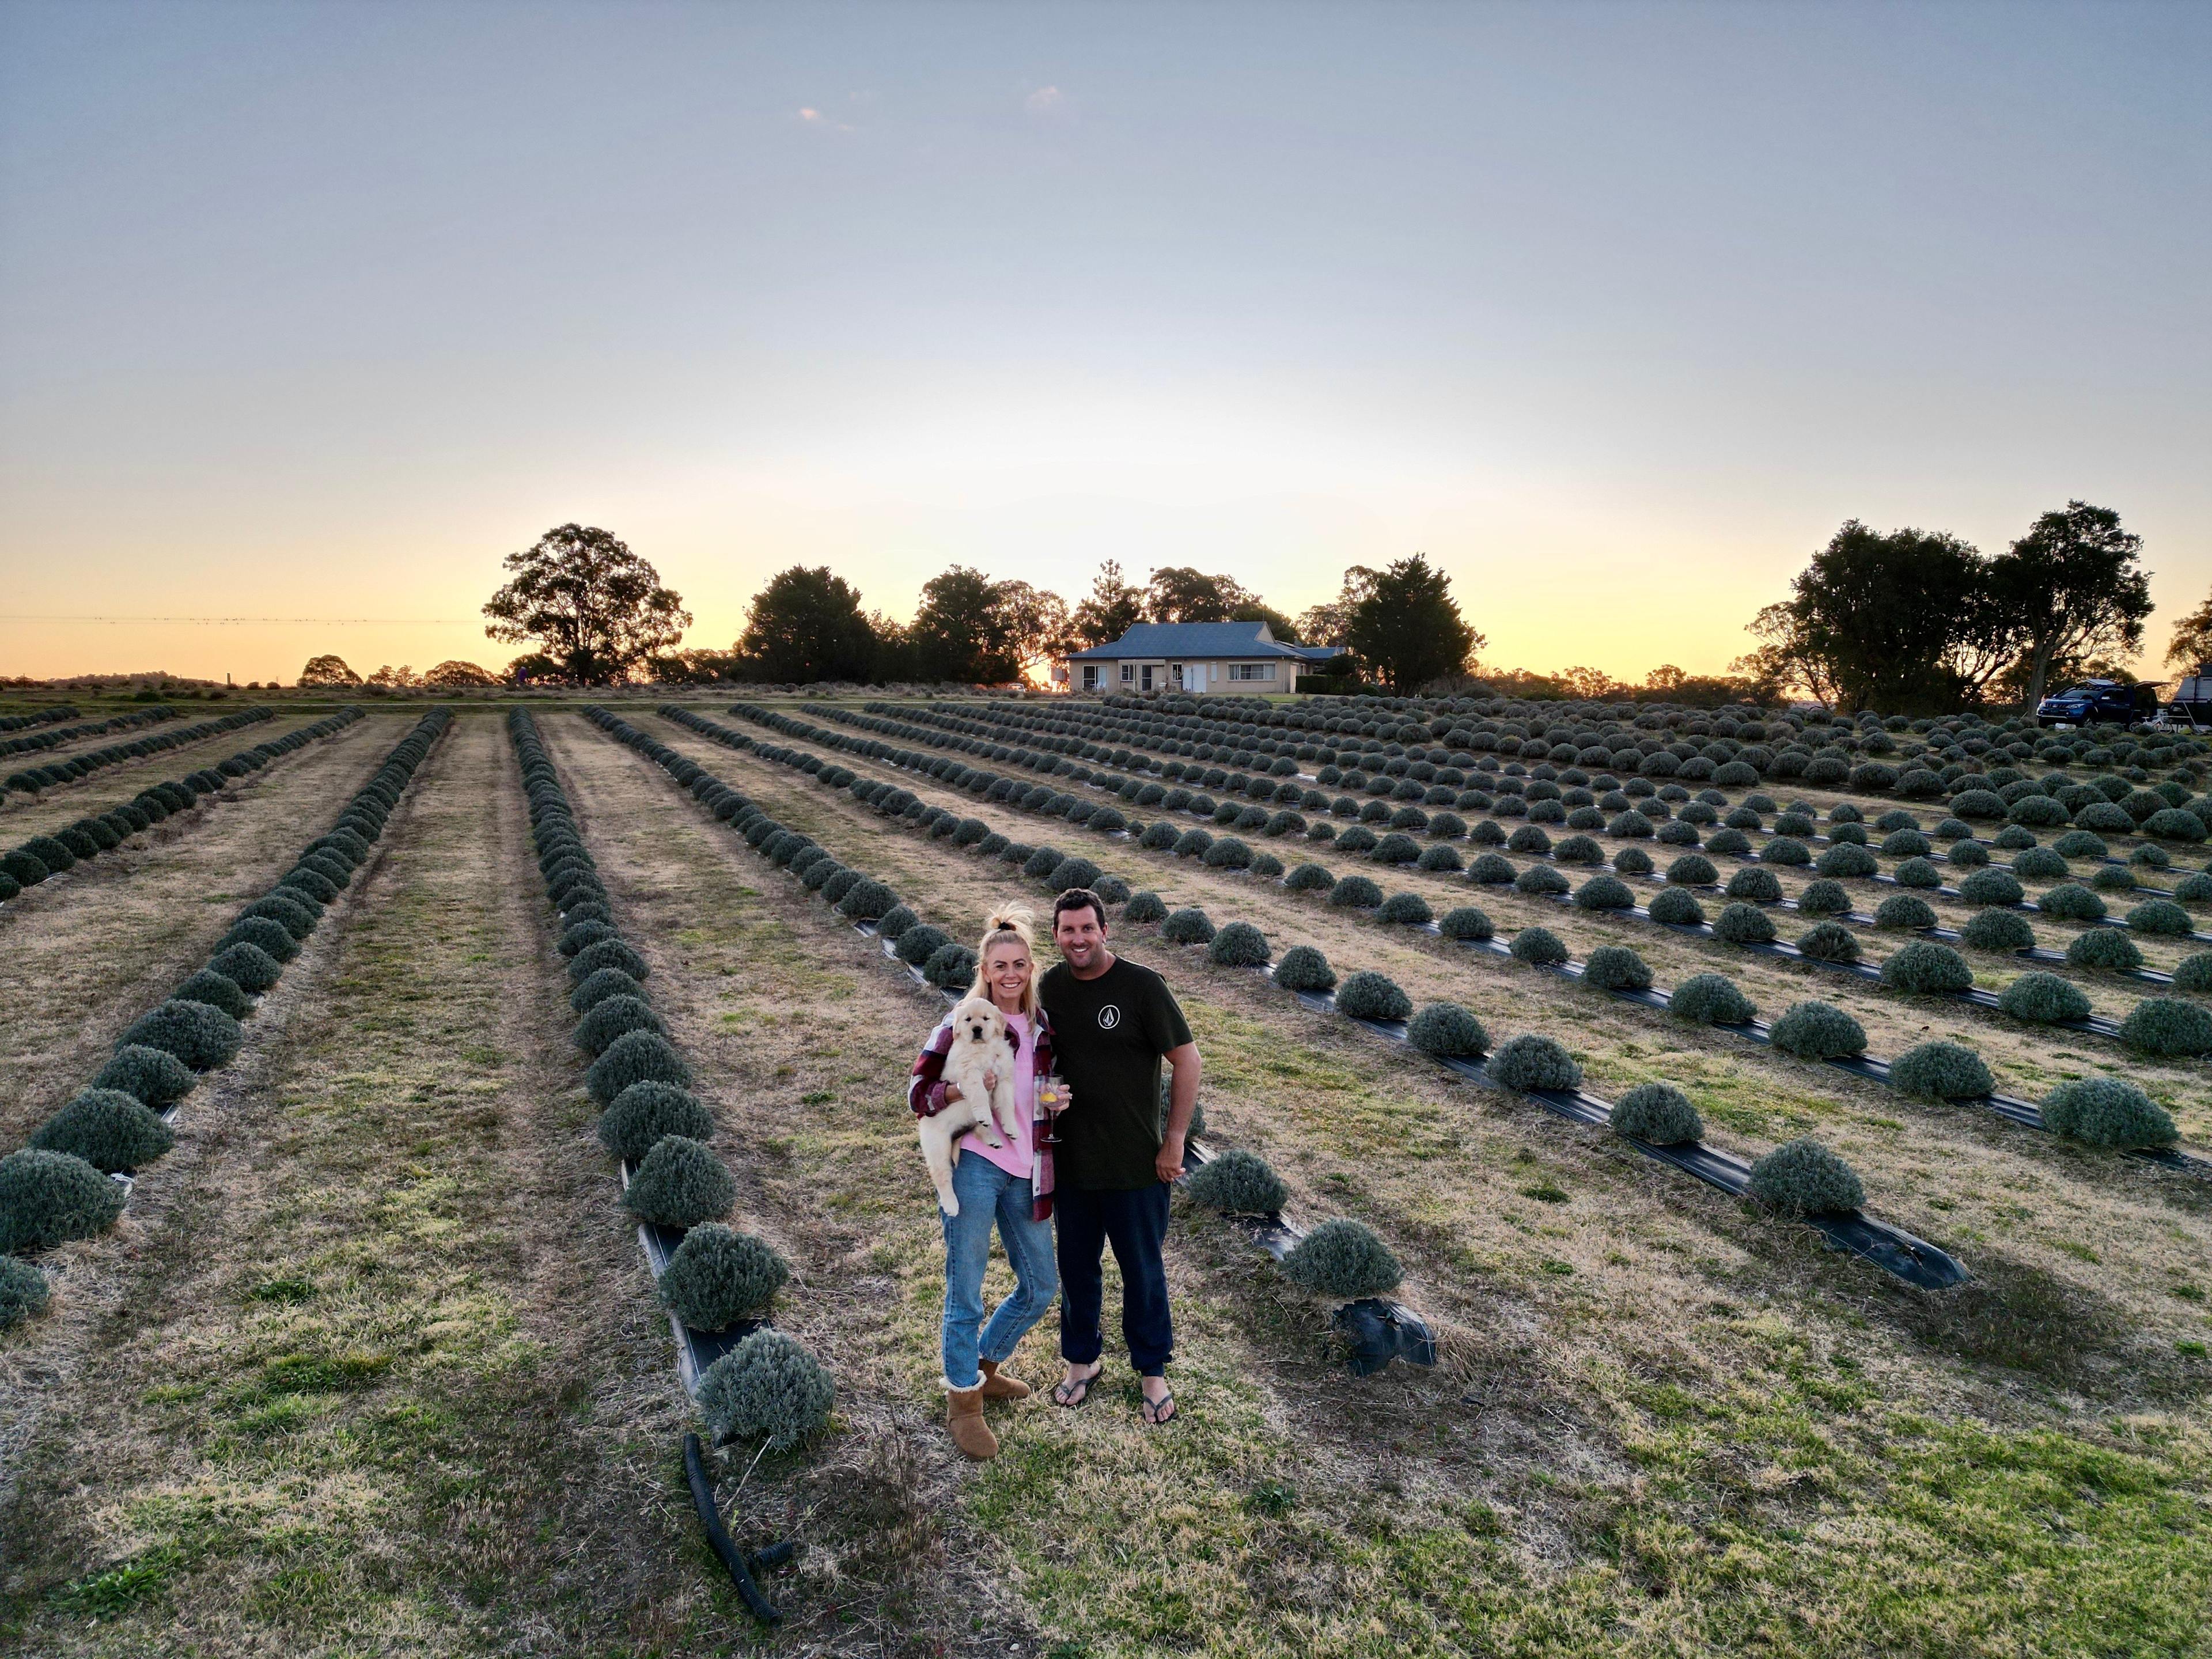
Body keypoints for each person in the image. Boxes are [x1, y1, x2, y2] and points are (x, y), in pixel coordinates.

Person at [1039, 887, 1200, 1427]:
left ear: (1105, 931)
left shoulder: (1141, 986)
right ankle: (1081, 1363)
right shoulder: (1051, 988)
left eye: (1087, 928)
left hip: (1137, 1165)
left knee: (1143, 1272)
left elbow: (1188, 1060)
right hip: (1073, 1165)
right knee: (1076, 1270)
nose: (1078, 939)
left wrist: (1174, 1140)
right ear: (1056, 936)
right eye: (1068, 930)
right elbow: (1035, 1062)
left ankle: (1152, 1372)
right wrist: (1043, 1095)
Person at [907, 906, 1060, 1461]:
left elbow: (1037, 1094)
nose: (1011, 973)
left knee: (1042, 1286)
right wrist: (958, 1095)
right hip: (974, 1163)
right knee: (965, 1289)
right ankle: (963, 1405)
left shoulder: (1042, 1029)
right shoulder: (961, 1019)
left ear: (1030, 967)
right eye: (1001, 965)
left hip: (1028, 1170)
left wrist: (1052, 1101)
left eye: (1020, 963)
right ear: (985, 969)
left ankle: (984, 1367)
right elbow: (917, 1093)